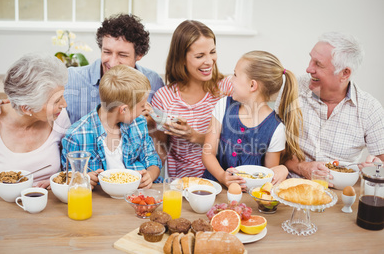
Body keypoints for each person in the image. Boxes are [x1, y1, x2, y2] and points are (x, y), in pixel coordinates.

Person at [0, 13, 164, 124]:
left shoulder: (153, 82)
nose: (112, 62)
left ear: (139, 55)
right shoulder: (71, 79)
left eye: (122, 55)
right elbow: (29, 100)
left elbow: (161, 129)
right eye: (107, 52)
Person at [282, 32, 384, 180]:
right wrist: (301, 167)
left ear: (345, 73)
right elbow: (272, 148)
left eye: (318, 64)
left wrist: (375, 167)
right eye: (311, 59)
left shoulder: (370, 109)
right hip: (291, 185)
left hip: (340, 193)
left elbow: (381, 162)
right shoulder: (293, 89)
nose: (308, 69)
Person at [202, 51, 303, 188]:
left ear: (252, 85)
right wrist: (222, 176)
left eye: (236, 75)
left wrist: (282, 169)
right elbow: (208, 153)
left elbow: (268, 178)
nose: (230, 79)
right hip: (214, 189)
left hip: (248, 198)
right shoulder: (223, 105)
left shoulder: (276, 129)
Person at [151, 20, 233, 178]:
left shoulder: (227, 88)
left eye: (212, 52)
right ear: (181, 58)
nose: (209, 61)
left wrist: (195, 136)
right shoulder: (164, 97)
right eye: (200, 56)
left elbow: (240, 143)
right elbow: (160, 149)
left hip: (223, 183)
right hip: (183, 187)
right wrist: (149, 175)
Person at [61, 65, 162, 190]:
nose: (146, 108)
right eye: (142, 105)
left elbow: (152, 160)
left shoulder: (139, 123)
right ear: (123, 110)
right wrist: (84, 179)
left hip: (136, 195)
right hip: (99, 201)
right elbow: (69, 178)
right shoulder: (76, 135)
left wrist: (150, 175)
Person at [0, 53, 70, 188]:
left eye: (62, 97)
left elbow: (70, 169)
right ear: (27, 108)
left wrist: (59, 182)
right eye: (56, 101)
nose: (64, 105)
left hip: (47, 204)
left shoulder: (59, 116)